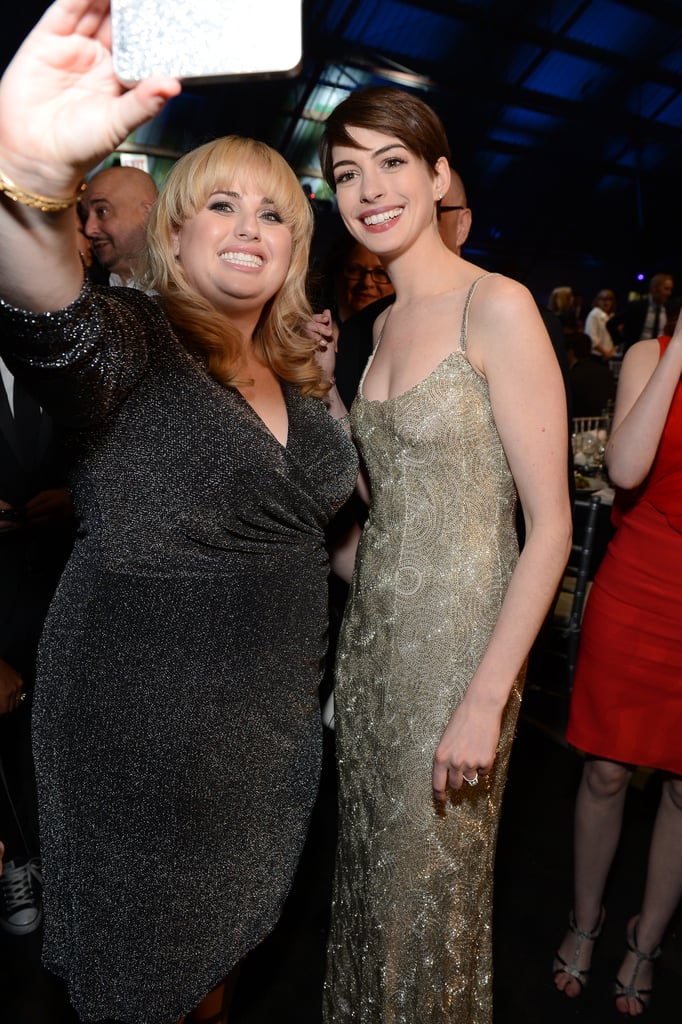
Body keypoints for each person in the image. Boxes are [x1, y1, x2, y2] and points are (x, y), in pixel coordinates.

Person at [0, 3, 357, 1023]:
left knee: (220, 975)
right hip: (141, 740)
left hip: (271, 746)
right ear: (175, 227)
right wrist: (25, 169)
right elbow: (44, 303)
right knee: (142, 991)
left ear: (296, 245)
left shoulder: (294, 380)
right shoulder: (131, 342)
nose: (251, 226)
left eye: (276, 211)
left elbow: (327, 534)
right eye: (222, 204)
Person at [318, 85, 572, 1023]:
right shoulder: (379, 326)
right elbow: (394, 513)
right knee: (367, 893)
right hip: (376, 648)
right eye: (348, 172)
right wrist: (333, 411)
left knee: (430, 905)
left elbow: (548, 526)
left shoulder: (495, 306)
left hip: (460, 661)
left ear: (437, 177)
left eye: (392, 163)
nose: (370, 188)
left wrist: (484, 699)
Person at [553, 304, 682, 1017]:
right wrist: (680, 351)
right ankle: (585, 918)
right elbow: (625, 466)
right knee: (605, 770)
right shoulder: (649, 353)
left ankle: (647, 940)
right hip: (641, 587)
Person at [0, 355, 75, 937]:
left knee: (69, 731)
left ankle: (69, 865)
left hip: (68, 579)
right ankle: (19, 860)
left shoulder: (55, 354)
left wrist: (74, 497)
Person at [333, 163, 471, 408]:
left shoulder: (501, 306)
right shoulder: (372, 325)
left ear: (463, 226)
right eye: (347, 176)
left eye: (438, 209)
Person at [79, 163, 159, 286]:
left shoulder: (187, 289)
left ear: (148, 214)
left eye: (102, 211)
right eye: (85, 216)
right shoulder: (81, 290)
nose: (89, 229)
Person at [607, 273, 675, 353]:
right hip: (637, 353)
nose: (669, 293)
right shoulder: (636, 306)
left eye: (670, 289)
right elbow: (611, 324)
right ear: (654, 288)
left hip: (660, 354)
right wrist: (621, 342)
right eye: (666, 289)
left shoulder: (670, 309)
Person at [584, 288, 617, 360]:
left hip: (610, 356)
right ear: (598, 300)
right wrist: (605, 353)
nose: (606, 302)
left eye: (609, 299)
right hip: (596, 356)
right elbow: (591, 338)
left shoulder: (612, 316)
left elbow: (616, 338)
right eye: (603, 299)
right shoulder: (594, 315)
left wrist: (611, 352)